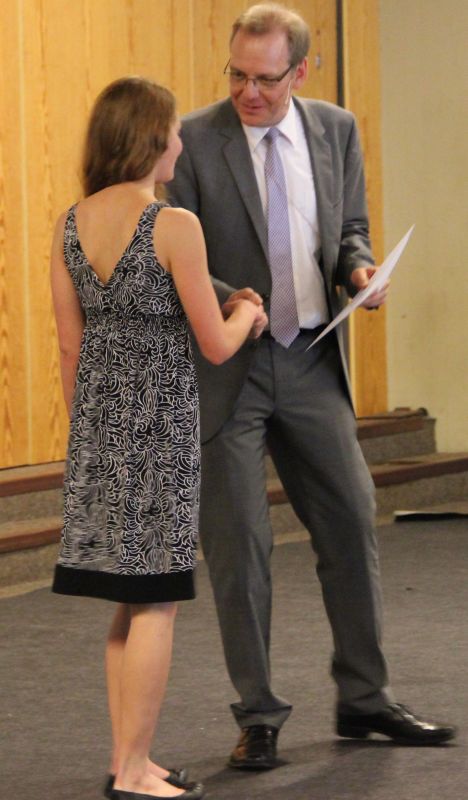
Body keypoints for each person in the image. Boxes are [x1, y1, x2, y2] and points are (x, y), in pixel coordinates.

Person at [168, 2, 456, 770]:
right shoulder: (193, 139)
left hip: (312, 358)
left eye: (266, 79)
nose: (248, 92)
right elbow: (176, 256)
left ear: (300, 71)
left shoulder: (336, 128)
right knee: (241, 548)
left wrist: (359, 272)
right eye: (237, 74)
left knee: (353, 523)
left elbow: (349, 229)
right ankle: (259, 715)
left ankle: (364, 697)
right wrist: (235, 300)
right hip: (228, 365)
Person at [50, 76, 266, 800]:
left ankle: (127, 760)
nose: (181, 141)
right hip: (160, 432)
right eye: (173, 130)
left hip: (98, 433)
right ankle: (135, 770)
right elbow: (215, 342)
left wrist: (90, 439)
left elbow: (69, 347)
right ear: (150, 138)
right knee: (155, 603)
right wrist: (249, 313)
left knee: (127, 598)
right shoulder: (173, 225)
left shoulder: (69, 224)